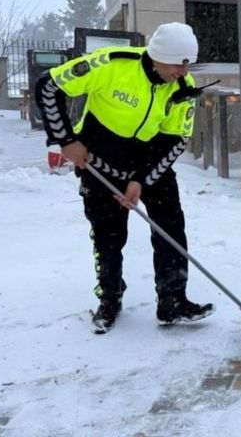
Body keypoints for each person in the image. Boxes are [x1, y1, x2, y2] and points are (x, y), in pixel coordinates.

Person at [34, 22, 214, 332]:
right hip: (100, 162)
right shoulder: (112, 64)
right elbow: (48, 86)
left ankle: (172, 301)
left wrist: (141, 180)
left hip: (150, 162)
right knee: (108, 236)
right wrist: (66, 139)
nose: (183, 72)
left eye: (187, 64)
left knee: (170, 228)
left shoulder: (183, 87)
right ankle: (110, 299)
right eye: (177, 63)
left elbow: (176, 140)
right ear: (157, 55)